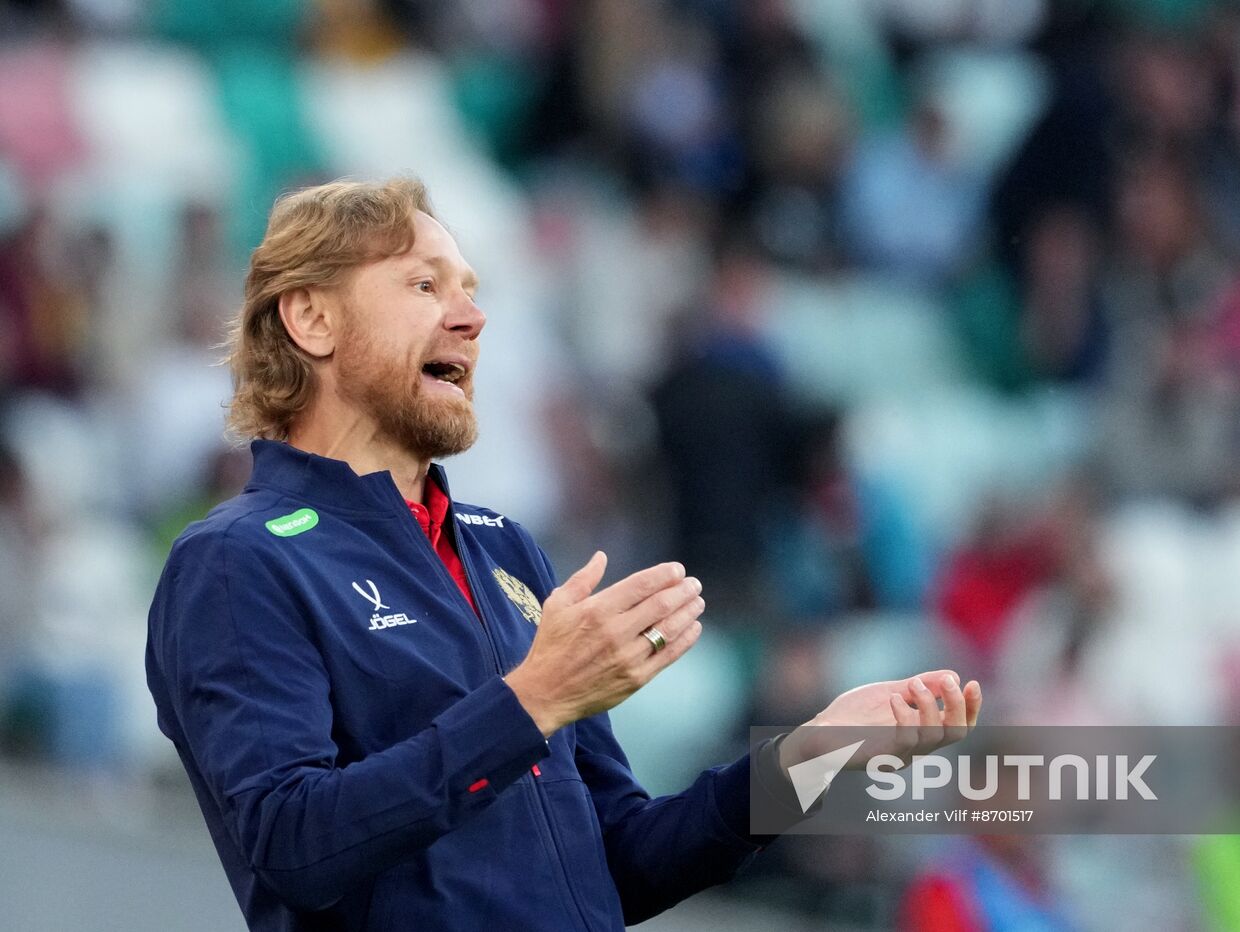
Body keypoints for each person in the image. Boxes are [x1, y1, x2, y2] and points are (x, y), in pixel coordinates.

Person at [144, 177, 983, 931]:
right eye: (425, 286)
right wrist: (532, 699)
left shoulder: (504, 549)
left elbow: (618, 863)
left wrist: (813, 753)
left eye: (471, 292)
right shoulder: (237, 561)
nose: (471, 318)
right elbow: (295, 846)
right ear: (312, 317)